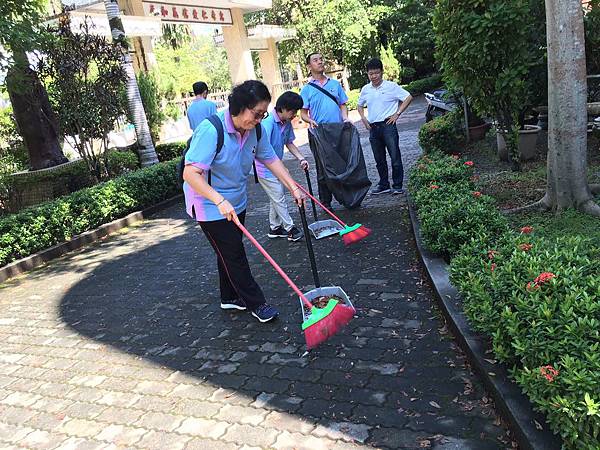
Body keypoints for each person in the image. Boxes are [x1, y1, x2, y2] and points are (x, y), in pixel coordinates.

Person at [182, 80, 305, 323]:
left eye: (263, 114)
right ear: (239, 107)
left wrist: (292, 186)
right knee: (235, 255)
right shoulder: (211, 129)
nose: (259, 119)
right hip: (209, 205)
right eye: (256, 113)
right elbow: (190, 173)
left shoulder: (255, 131)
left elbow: (270, 158)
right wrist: (219, 201)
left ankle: (228, 297)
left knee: (227, 252)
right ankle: (256, 303)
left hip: (237, 201)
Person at [254, 91, 308, 242]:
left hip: (277, 168)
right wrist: (281, 168)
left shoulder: (286, 123)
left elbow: (289, 142)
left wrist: (301, 158)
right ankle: (290, 229)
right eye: (292, 111)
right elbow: (263, 152)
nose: (294, 114)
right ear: (282, 108)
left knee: (275, 197)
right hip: (264, 169)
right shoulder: (268, 123)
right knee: (279, 196)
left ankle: (275, 227)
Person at [357, 58, 413, 195]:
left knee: (395, 157)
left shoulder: (391, 86)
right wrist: (363, 119)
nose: (374, 76)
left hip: (388, 126)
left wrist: (397, 114)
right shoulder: (366, 89)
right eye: (371, 74)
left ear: (382, 72)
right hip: (373, 128)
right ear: (367, 74)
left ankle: (398, 185)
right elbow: (359, 105)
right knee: (379, 159)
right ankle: (384, 184)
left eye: (376, 73)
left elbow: (408, 97)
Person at [300, 52, 349, 208]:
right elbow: (303, 114)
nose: (320, 62)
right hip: (318, 134)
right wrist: (311, 121)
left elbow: (343, 104)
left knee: (343, 163)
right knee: (323, 168)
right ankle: (326, 202)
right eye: (315, 60)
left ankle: (348, 197)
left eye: (321, 59)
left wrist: (345, 118)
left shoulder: (334, 84)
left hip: (338, 131)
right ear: (309, 66)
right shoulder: (306, 90)